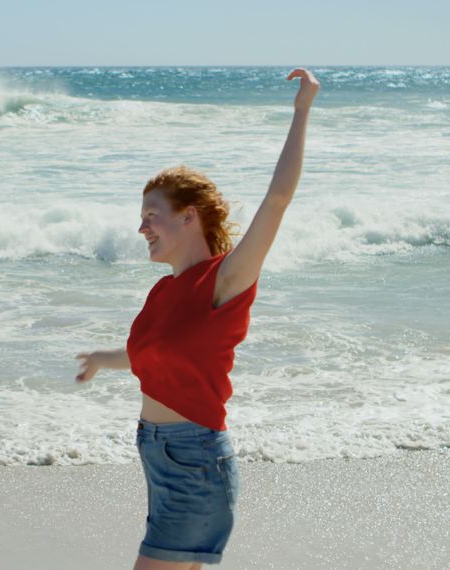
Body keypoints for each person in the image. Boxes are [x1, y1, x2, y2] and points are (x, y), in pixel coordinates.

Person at [75, 68, 320, 570]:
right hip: (161, 458)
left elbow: (277, 200)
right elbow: (158, 358)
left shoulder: (224, 280)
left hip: (194, 465)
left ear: (190, 217)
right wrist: (103, 358)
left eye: (152, 214)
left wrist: (301, 110)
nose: (141, 227)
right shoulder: (163, 292)